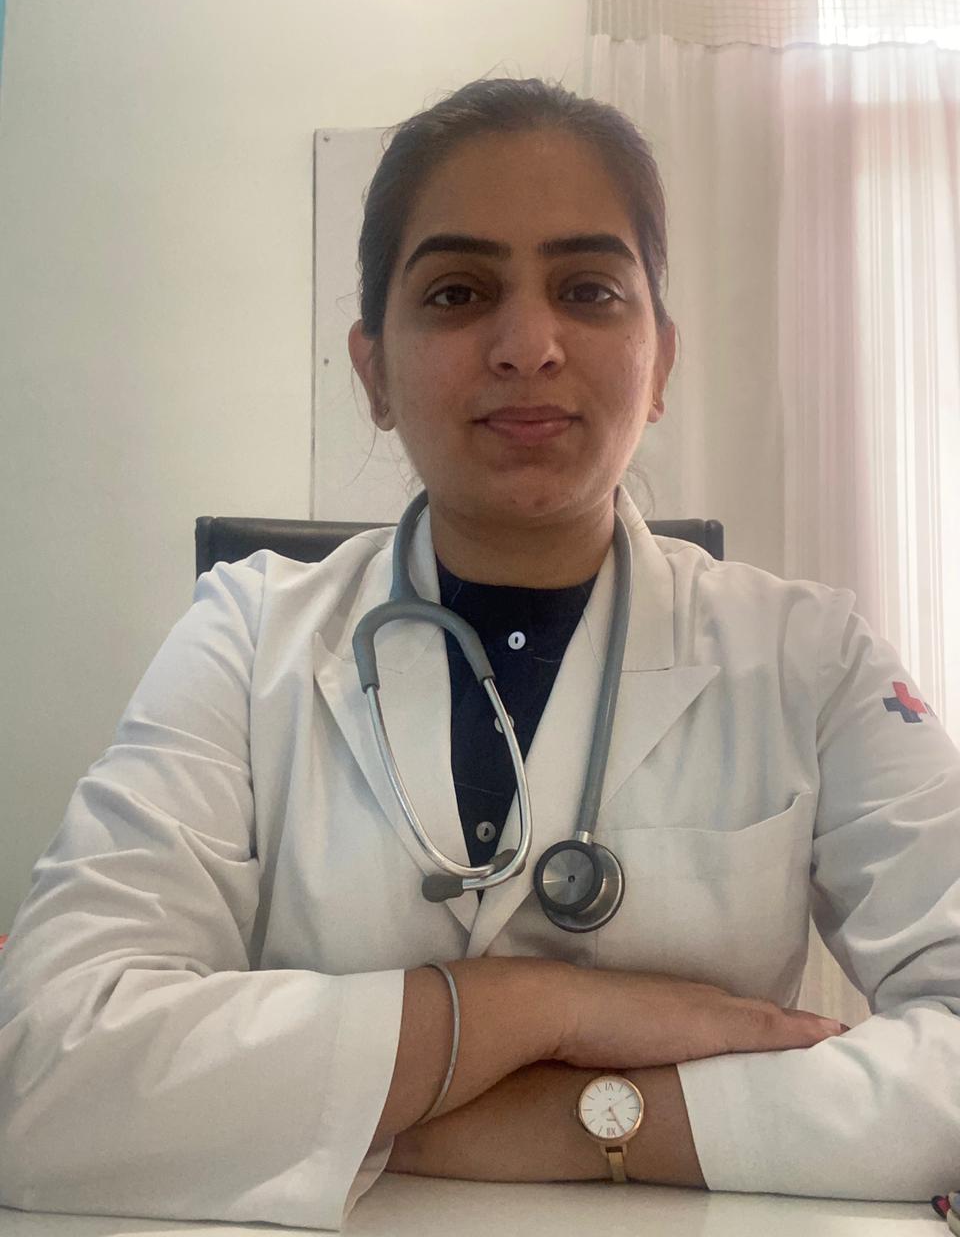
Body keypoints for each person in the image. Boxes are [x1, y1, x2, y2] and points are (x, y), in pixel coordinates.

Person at [0, 76, 958, 1233]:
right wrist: (540, 1009)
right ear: (373, 371)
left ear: (659, 362)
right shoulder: (242, 635)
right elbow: (44, 1060)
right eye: (458, 292)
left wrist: (572, 1121)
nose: (528, 345)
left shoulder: (813, 657)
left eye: (588, 289)